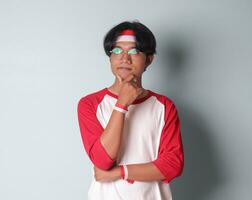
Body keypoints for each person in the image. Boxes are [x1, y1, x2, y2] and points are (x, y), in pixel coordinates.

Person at [77, 21, 184, 200]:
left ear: (149, 59)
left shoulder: (164, 106)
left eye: (134, 51)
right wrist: (122, 104)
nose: (124, 58)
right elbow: (102, 160)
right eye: (117, 51)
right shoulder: (89, 104)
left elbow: (173, 165)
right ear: (110, 57)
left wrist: (119, 172)